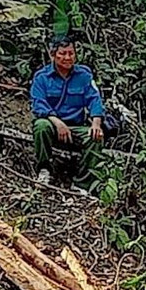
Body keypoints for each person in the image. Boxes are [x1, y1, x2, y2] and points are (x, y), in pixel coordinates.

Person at [30, 37, 105, 193]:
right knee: (41, 126)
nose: (67, 57)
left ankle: (82, 184)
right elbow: (38, 104)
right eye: (63, 53)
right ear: (53, 55)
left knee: (94, 137)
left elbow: (94, 99)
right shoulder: (42, 77)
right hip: (52, 124)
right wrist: (57, 122)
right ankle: (44, 169)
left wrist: (96, 123)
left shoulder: (84, 75)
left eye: (71, 53)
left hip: (76, 126)